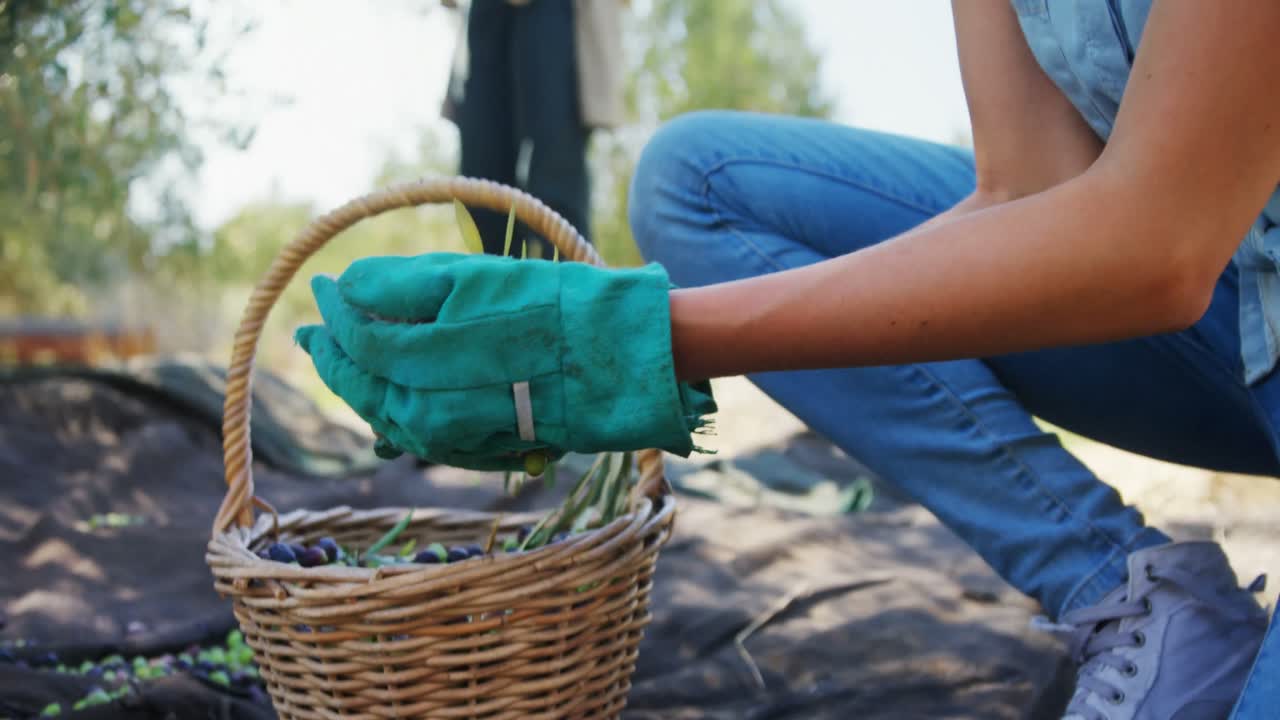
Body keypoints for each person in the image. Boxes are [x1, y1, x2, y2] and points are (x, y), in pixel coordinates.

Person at [295, 2, 1280, 717]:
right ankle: (1138, 597)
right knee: (698, 183)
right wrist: (623, 322)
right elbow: (1028, 191)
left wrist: (630, 341)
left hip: (1184, 258)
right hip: (1230, 310)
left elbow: (1156, 243)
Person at [441, 0, 626, 258]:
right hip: (488, 12)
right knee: (481, 180)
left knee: (557, 179)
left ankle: (570, 288)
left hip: (558, 12)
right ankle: (497, 287)